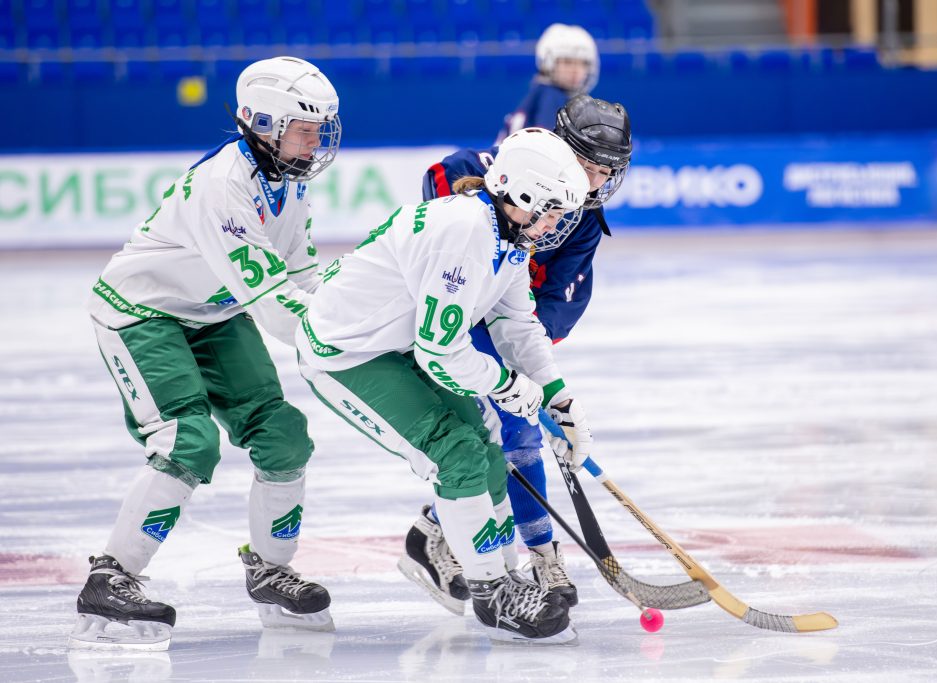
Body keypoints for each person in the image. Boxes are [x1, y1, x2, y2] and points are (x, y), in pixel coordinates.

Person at [69, 56, 342, 650]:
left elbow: (303, 277)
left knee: (283, 435)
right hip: (144, 312)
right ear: (262, 123)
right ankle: (110, 577)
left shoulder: (290, 183)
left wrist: (365, 321)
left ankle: (270, 569)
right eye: (304, 129)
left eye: (321, 129)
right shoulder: (223, 187)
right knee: (187, 439)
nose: (316, 142)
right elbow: (276, 305)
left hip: (214, 312)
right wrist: (351, 347)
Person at [295, 128, 594, 644]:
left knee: (488, 439)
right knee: (457, 454)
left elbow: (516, 323)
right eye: (551, 211)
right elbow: (441, 349)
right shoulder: (466, 233)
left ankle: (503, 573)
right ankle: (492, 594)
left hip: (396, 342)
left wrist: (558, 398)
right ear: (523, 194)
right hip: (347, 353)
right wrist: (508, 385)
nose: (554, 225)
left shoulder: (507, 234)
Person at [409, 95, 632, 611]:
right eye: (589, 167)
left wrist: (535, 369)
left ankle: (436, 533)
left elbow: (560, 299)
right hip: (453, 316)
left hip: (510, 323)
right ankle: (535, 552)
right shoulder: (500, 169)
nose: (595, 182)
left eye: (607, 172)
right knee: (509, 433)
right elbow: (444, 181)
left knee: (511, 433)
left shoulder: (583, 220)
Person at [496, 23, 600, 143]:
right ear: (548, 62)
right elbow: (547, 145)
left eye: (582, 63)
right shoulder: (551, 96)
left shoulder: (540, 91)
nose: (575, 70)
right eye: (567, 62)